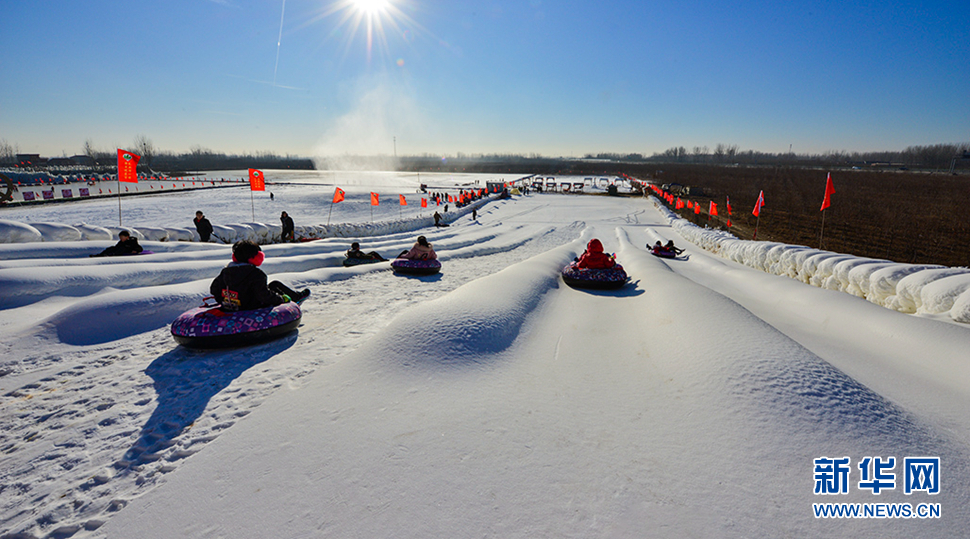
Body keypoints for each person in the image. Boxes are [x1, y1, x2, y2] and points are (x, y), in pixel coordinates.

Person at [210, 240, 308, 311]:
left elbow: (214, 289)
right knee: (274, 286)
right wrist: (281, 299)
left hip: (233, 304)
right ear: (256, 257)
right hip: (251, 306)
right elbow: (263, 296)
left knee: (274, 284)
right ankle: (296, 298)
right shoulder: (256, 274)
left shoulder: (226, 271)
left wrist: (226, 300)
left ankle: (296, 296)